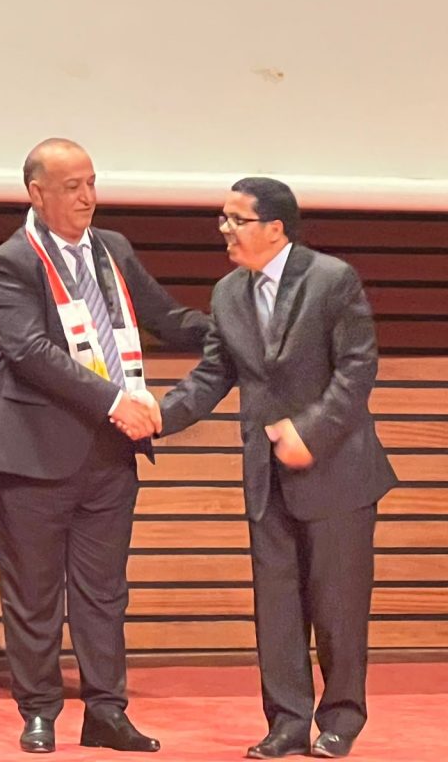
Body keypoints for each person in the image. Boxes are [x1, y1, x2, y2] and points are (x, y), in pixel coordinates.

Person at [0, 138, 209, 754]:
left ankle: (107, 710)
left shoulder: (113, 250)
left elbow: (165, 318)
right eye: (72, 187)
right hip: (34, 458)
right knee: (33, 594)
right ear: (37, 193)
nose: (87, 197)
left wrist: (235, 330)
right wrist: (113, 401)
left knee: (104, 592)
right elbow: (29, 351)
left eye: (91, 183)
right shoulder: (10, 262)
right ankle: (39, 711)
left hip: (110, 456)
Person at [157, 178, 397, 759]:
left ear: (274, 228)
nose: (225, 230)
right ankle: (287, 722)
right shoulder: (227, 293)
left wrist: (309, 432)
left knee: (338, 608)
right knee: (277, 610)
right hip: (267, 476)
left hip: (336, 472)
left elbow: (357, 369)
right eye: (223, 218)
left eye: (236, 219)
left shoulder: (331, 280)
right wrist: (158, 416)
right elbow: (213, 375)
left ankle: (340, 718)